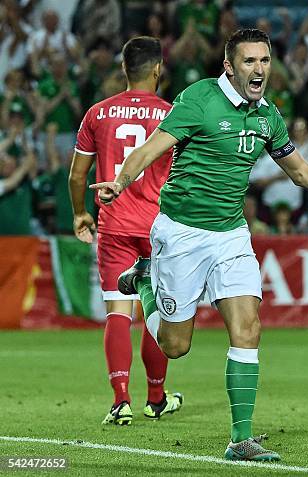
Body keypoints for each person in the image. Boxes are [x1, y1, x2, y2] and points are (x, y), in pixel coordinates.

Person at [90, 29, 308, 461]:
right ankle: (147, 280)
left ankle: (240, 439)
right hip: (181, 234)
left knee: (248, 329)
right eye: (249, 61)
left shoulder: (268, 116)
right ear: (229, 65)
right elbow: (151, 149)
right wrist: (120, 181)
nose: (259, 69)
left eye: (264, 61)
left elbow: (301, 173)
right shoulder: (199, 98)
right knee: (176, 346)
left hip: (231, 234)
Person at [69, 37, 182, 426]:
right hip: (158, 227)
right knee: (156, 308)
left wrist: (81, 213)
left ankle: (121, 400)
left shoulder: (97, 114)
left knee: (119, 310)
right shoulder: (173, 114)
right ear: (158, 69)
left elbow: (77, 175)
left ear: (123, 69)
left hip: (114, 223)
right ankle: (156, 397)